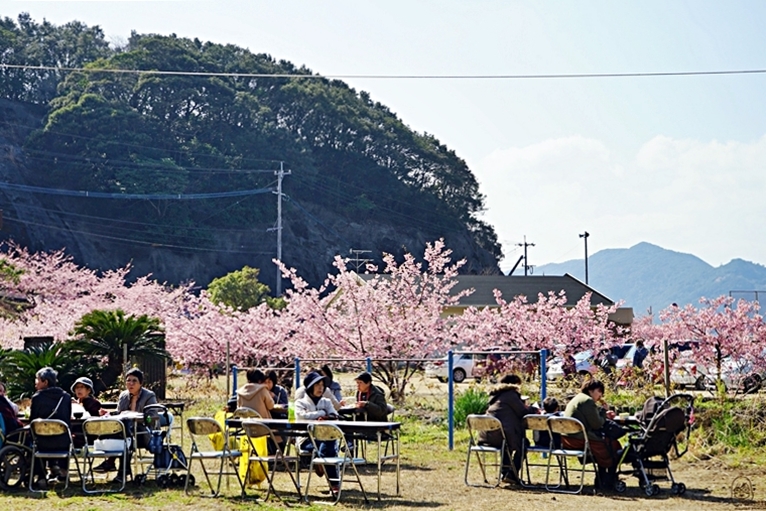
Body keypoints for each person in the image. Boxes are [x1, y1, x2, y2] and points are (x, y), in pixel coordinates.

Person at [95, 368, 158, 482]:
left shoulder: (149, 396)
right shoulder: (123, 395)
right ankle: (122, 471)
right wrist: (108, 413)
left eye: (134, 381)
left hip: (143, 432)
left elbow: (151, 417)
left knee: (126, 437)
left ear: (141, 383)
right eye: (128, 380)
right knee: (123, 435)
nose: (131, 383)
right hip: (126, 433)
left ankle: (112, 464)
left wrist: (137, 416)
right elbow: (119, 414)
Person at [477, 374, 538, 483]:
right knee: (523, 443)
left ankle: (505, 473)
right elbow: (523, 412)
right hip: (501, 436)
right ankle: (512, 474)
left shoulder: (495, 396)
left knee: (507, 444)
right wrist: (534, 409)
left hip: (486, 436)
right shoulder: (511, 395)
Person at [562, 379, 621, 490]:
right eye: (599, 391)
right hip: (579, 438)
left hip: (567, 438)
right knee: (613, 445)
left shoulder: (579, 398)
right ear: (591, 390)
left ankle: (603, 479)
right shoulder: (587, 401)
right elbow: (597, 424)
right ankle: (607, 480)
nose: (601, 395)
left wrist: (601, 413)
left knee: (607, 444)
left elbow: (589, 415)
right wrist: (603, 411)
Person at [294, 371, 339, 494]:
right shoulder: (300, 403)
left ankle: (321, 460)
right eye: (317, 385)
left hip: (324, 438)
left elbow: (335, 415)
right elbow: (303, 416)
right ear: (310, 387)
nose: (321, 388)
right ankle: (335, 484)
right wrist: (322, 413)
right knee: (328, 449)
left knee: (329, 441)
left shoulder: (326, 402)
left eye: (322, 385)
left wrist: (327, 415)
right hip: (306, 439)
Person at [30, 367, 72, 488]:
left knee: (33, 440)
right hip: (62, 442)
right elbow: (67, 420)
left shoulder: (37, 398)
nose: (35, 382)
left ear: (45, 382)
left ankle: (41, 476)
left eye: (37, 379)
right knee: (65, 435)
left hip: (43, 443)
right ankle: (63, 470)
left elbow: (33, 421)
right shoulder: (66, 397)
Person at [70, 376, 103, 448]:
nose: (79, 390)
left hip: (87, 435)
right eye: (77, 387)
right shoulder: (73, 403)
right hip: (73, 433)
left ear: (88, 390)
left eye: (82, 387)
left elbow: (93, 423)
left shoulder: (94, 403)